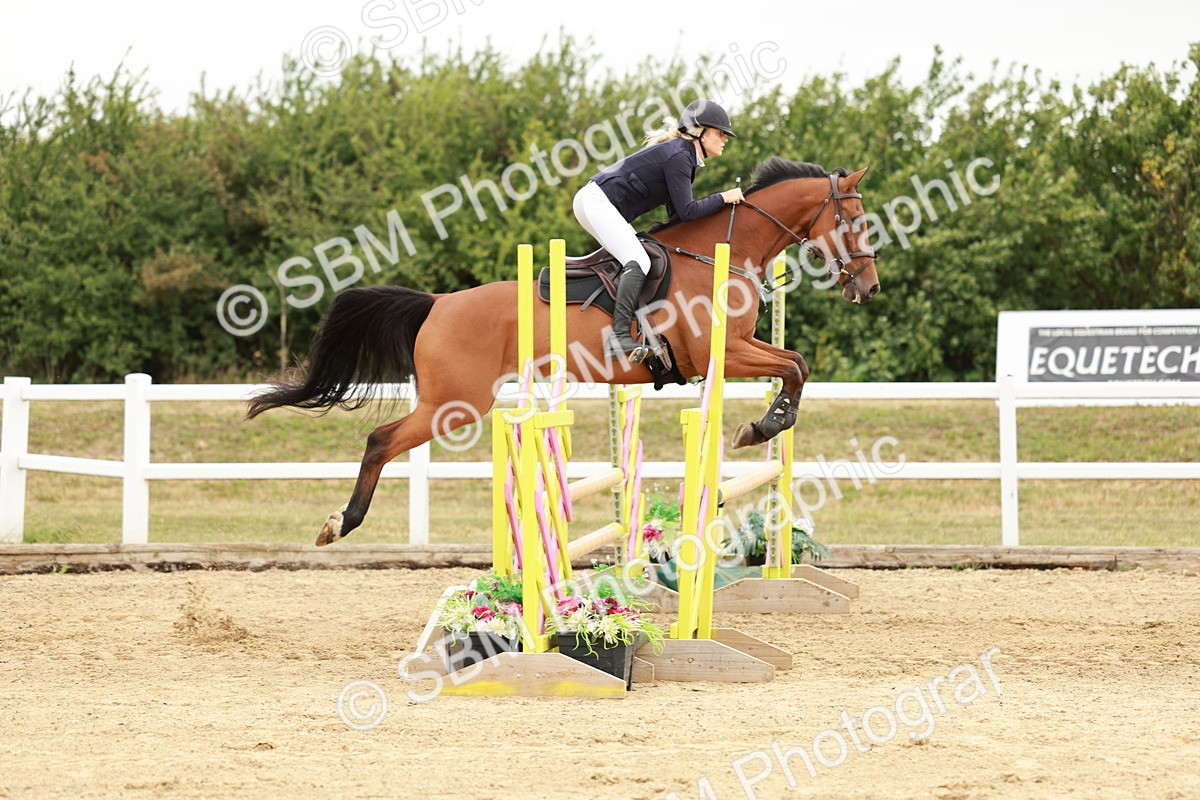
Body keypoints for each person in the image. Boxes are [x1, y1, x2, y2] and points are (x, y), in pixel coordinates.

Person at [573, 99, 745, 363]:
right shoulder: (679, 156)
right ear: (700, 131)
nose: (725, 139)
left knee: (639, 255)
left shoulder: (683, 156)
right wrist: (723, 197)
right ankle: (618, 337)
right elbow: (687, 211)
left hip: (598, 203)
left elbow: (677, 218)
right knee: (639, 259)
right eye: (721, 133)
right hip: (596, 202)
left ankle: (615, 323)